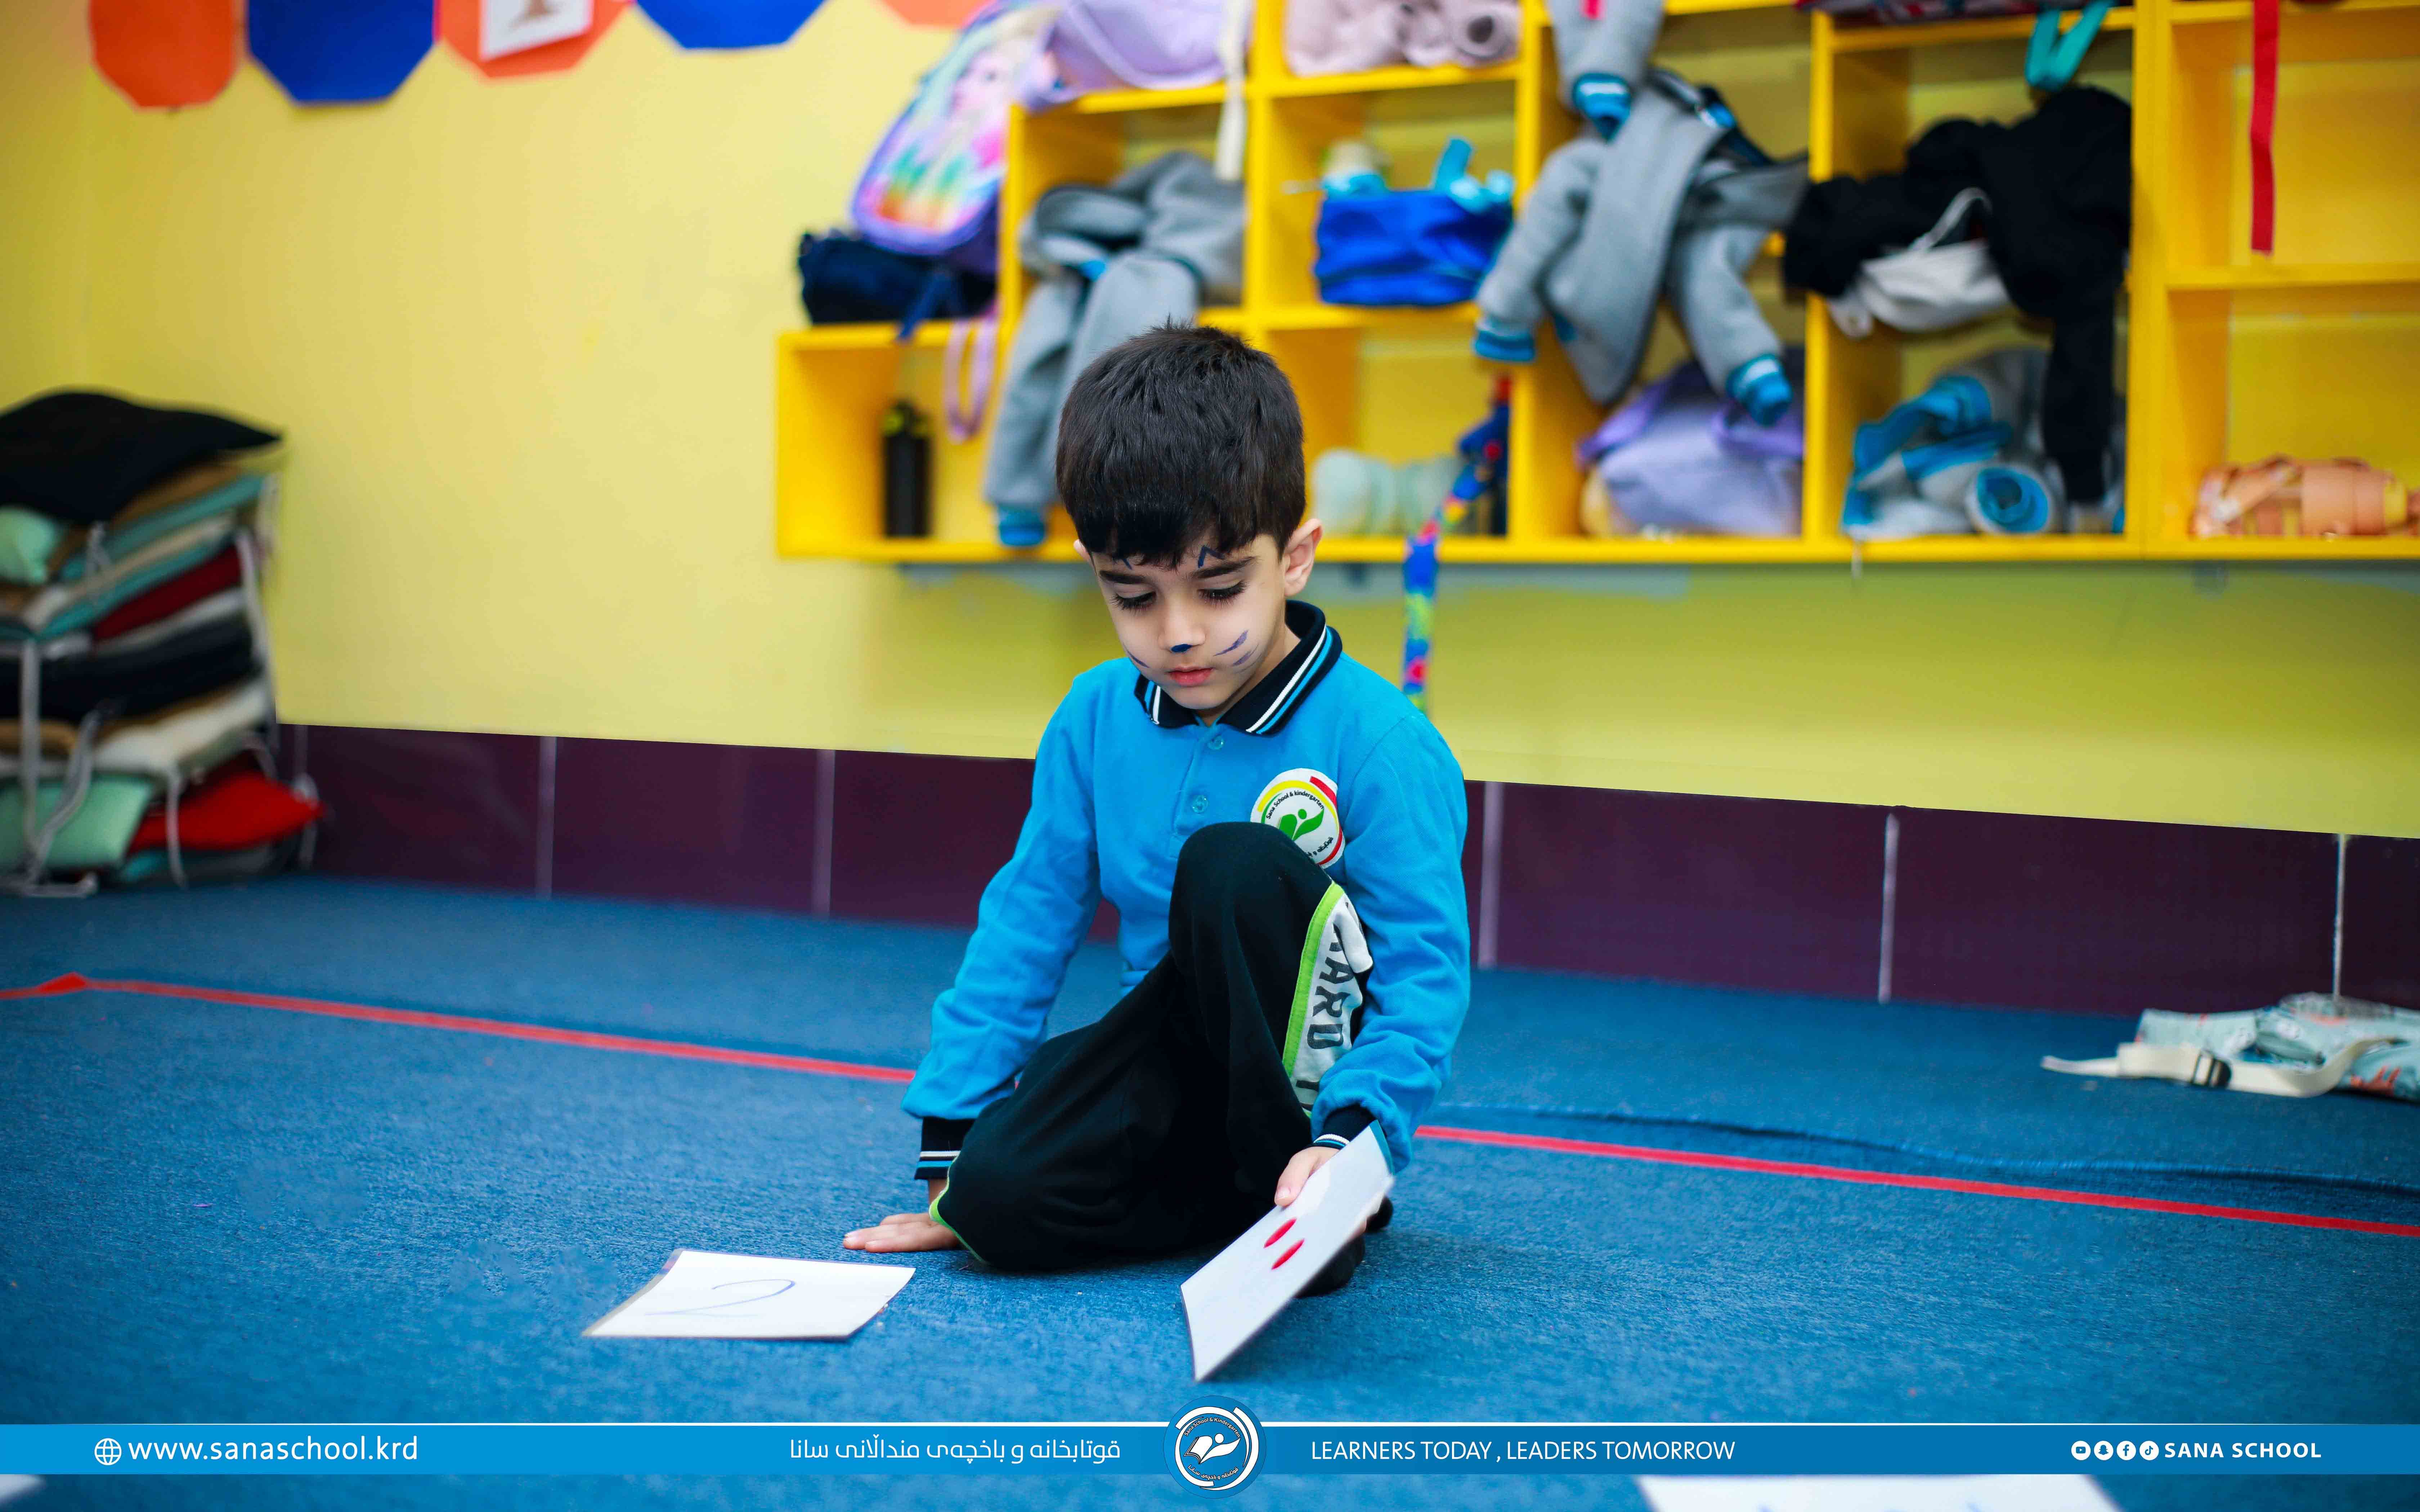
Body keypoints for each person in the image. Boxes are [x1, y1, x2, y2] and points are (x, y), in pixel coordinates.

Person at [842, 324, 1470, 1297]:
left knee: (1232, 864)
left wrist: (1354, 1136)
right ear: (1095, 568)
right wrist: (954, 1144)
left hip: (1308, 1093)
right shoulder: (1095, 716)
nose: (1180, 635)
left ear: (1295, 558)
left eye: (1219, 590)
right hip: (1163, 1059)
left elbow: (1424, 972)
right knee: (992, 1205)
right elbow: (1028, 922)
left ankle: (1307, 1184)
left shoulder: (1381, 740)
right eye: (1134, 597)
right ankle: (1234, 1195)